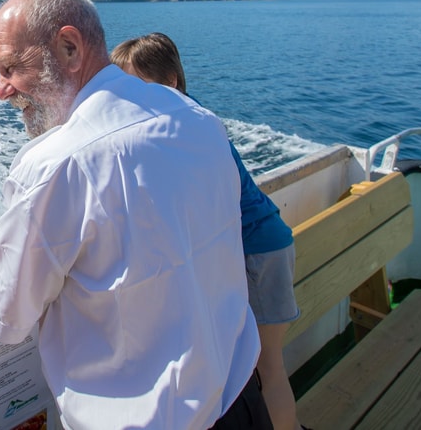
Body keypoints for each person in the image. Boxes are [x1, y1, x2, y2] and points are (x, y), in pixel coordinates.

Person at [0, 0, 271, 430]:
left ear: (69, 47)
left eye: (10, 69)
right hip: (243, 403)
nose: (2, 91)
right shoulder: (195, 118)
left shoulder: (54, 165)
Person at [111, 33, 302, 430]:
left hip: (256, 251)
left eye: (138, 86)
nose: (128, 100)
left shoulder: (184, 127)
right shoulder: (195, 122)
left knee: (267, 369)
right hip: (267, 242)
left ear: (172, 81)